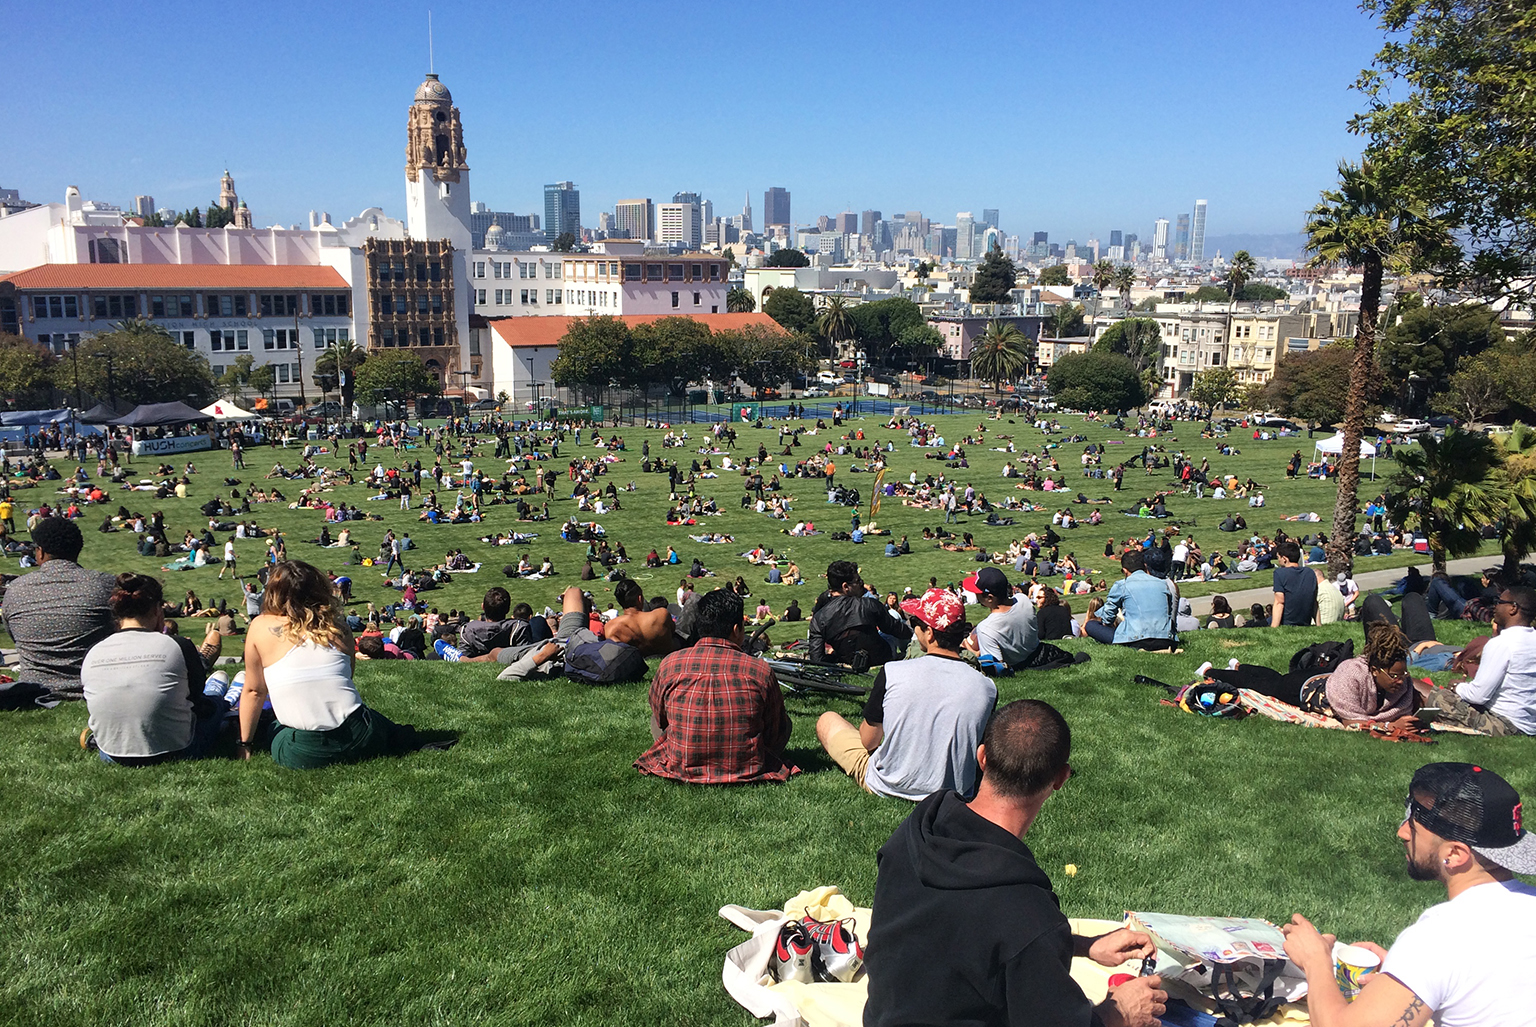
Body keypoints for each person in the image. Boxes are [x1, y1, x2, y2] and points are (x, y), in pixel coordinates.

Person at [864, 699, 1167, 1027]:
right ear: (1061, 778)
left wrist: (1083, 945)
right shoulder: (1025, 910)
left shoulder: (919, 830)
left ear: (982, 757)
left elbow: (959, 934)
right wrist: (1118, 1012)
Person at [1281, 762, 1536, 1027]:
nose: (1402, 832)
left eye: (1414, 824)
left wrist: (1315, 961)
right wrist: (1405, 974)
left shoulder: (1438, 939)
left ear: (1454, 854)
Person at [236, 560, 430, 769]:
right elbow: (347, 675)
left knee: (274, 726)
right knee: (369, 716)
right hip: (362, 737)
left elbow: (254, 691)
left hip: (303, 750)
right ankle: (398, 735)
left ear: (273, 592)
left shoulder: (260, 626)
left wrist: (244, 744)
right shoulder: (339, 627)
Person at [815, 587, 996, 800]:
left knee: (827, 720)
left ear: (929, 633)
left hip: (889, 784)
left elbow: (868, 741)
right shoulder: (986, 687)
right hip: (953, 790)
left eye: (916, 623)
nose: (913, 628)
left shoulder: (893, 672)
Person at [632, 589, 797, 785]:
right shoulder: (760, 670)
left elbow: (660, 717)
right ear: (736, 629)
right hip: (745, 766)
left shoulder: (670, 663)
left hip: (682, 763)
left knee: (656, 718)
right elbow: (775, 729)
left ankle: (684, 750)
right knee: (785, 722)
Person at [81, 574, 230, 765]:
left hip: (111, 753)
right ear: (157, 610)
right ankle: (224, 694)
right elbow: (195, 696)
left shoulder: (93, 651)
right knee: (214, 703)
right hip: (176, 750)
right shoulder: (178, 645)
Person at [0, 516, 116, 707]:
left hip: (35, 688)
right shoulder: (105, 584)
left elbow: (14, 635)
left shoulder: (16, 589)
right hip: (93, 685)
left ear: (41, 552)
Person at [1418, 585, 1536, 736]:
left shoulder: (1502, 643)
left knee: (1418, 687)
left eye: (1499, 602)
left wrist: (1457, 687)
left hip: (1502, 724)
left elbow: (1478, 696)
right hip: (1529, 724)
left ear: (1513, 608)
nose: (1495, 606)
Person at [806, 560, 911, 666]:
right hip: (881, 656)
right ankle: (911, 651)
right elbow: (895, 629)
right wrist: (914, 630)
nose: (862, 584)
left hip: (848, 660)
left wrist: (838, 658)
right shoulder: (868, 604)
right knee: (893, 614)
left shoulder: (818, 620)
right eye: (858, 581)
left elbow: (816, 658)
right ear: (845, 587)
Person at [1084, 549, 1176, 646]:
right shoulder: (1162, 584)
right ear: (1145, 566)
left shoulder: (1122, 585)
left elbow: (1107, 617)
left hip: (1136, 639)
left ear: (1125, 571)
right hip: (1166, 638)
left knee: (1091, 625)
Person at [960, 567, 1040, 669]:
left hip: (1016, 663)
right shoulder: (1023, 599)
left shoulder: (985, 629)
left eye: (977, 593)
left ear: (990, 598)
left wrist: (971, 651)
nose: (976, 595)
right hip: (1035, 652)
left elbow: (996, 667)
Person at [603, 578, 678, 655]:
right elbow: (673, 630)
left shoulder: (611, 627)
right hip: (668, 655)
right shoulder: (661, 614)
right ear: (640, 598)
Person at [458, 586, 526, 658]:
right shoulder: (518, 628)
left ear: (483, 607)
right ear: (508, 609)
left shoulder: (467, 631)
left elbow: (462, 658)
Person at [1271, 540, 1318, 626]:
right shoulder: (1310, 572)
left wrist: (1274, 628)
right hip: (1305, 621)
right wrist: (1319, 624)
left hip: (1287, 621)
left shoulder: (1279, 573)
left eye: (1278, 557)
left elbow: (1279, 602)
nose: (1278, 560)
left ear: (1284, 559)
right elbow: (1314, 601)